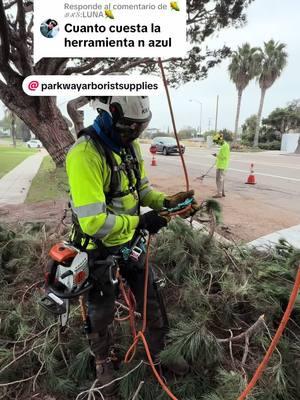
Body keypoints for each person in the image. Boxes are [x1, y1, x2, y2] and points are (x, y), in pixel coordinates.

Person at [66, 96, 199, 399]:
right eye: (129, 128)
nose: (134, 135)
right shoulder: (85, 155)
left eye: (140, 128)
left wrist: (166, 203)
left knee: (150, 297)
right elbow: (92, 222)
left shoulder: (129, 146)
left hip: (129, 243)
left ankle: (160, 354)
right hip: (98, 249)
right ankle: (103, 364)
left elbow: (141, 190)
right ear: (109, 116)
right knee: (101, 311)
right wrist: (140, 223)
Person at [212, 133, 230, 198]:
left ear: (220, 140)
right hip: (221, 165)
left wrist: (216, 155)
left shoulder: (225, 146)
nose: (217, 143)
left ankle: (219, 194)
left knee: (219, 180)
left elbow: (224, 157)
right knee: (221, 180)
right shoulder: (224, 146)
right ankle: (222, 192)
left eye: (217, 141)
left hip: (222, 166)